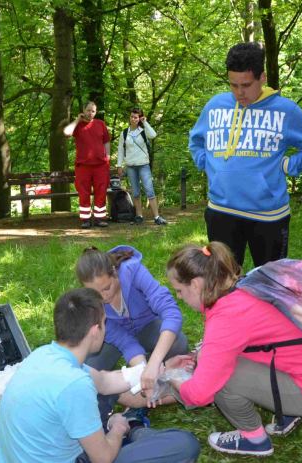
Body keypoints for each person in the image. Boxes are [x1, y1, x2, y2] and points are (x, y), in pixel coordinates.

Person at [165, 242, 302, 457]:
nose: (179, 297)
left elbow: (200, 394)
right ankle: (290, 410)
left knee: (223, 378)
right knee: (212, 361)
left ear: (194, 285)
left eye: (179, 290)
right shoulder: (244, 288)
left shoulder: (227, 317)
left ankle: (254, 439)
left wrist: (176, 382)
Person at [0, 288, 200, 463]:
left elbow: (105, 381)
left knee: (101, 394)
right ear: (95, 330)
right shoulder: (75, 385)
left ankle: (130, 429)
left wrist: (160, 368)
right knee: (184, 445)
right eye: (105, 322)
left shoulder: (44, 355)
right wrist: (118, 429)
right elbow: (103, 459)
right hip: (83, 457)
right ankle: (133, 429)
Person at [188, 42, 302, 268]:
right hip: (221, 212)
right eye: (233, 85)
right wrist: (207, 164)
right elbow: (196, 140)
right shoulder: (215, 106)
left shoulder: (286, 110)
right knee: (224, 283)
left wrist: (288, 165)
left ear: (262, 78)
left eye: (246, 85)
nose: (239, 93)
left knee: (272, 283)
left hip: (269, 215)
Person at [76, 246, 189, 397]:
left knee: (178, 342)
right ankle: (142, 376)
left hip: (148, 327)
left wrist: (153, 364)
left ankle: (150, 371)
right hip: (113, 341)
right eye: (95, 293)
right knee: (90, 369)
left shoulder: (133, 271)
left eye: (107, 288)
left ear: (115, 272)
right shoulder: (91, 302)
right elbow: (124, 341)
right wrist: (143, 371)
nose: (103, 297)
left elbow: (171, 313)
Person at [64, 101, 111, 229]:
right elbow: (66, 133)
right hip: (83, 165)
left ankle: (99, 218)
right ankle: (85, 219)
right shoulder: (78, 125)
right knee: (83, 192)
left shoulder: (100, 124)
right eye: (88, 110)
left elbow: (106, 142)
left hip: (100, 165)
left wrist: (108, 157)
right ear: (84, 110)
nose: (90, 113)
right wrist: (77, 120)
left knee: (101, 191)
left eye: (93, 111)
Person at [116, 108, 167, 226]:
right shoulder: (124, 133)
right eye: (132, 116)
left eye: (136, 117)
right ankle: (139, 216)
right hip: (130, 166)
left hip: (143, 165)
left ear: (139, 118)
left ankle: (157, 217)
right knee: (136, 193)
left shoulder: (143, 131)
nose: (133, 119)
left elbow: (153, 135)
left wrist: (145, 122)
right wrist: (119, 165)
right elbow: (120, 150)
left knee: (149, 190)